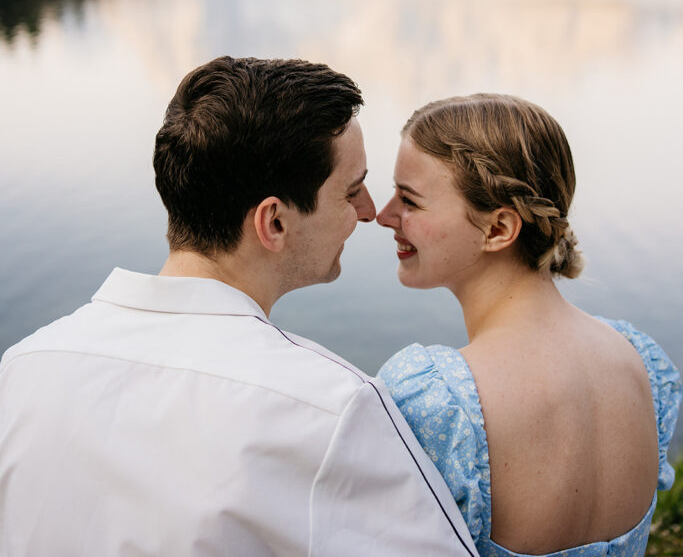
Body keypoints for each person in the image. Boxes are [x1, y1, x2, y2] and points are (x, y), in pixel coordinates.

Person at [0, 56, 477, 557]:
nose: (368, 212)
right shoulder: (330, 408)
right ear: (273, 222)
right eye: (351, 190)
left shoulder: (23, 369)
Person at [377, 93, 681, 557]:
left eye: (410, 200)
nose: (384, 216)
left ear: (499, 229)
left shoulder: (437, 403)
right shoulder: (640, 363)